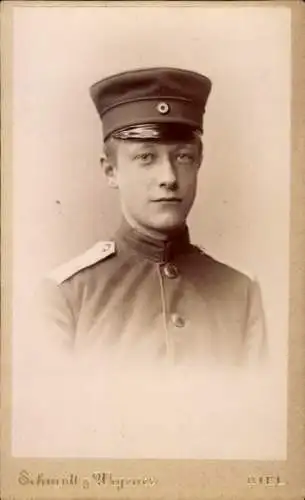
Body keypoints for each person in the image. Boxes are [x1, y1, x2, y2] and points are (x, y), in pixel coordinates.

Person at [38, 67, 267, 370]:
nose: (169, 178)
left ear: (199, 162)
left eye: (183, 157)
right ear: (111, 171)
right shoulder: (67, 295)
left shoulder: (240, 292)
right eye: (146, 158)